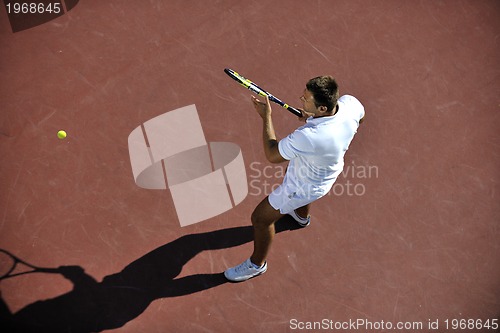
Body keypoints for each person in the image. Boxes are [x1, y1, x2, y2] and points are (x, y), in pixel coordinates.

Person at [224, 76, 365, 282]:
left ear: (323, 108)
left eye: (306, 100)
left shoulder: (310, 136)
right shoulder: (350, 104)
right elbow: (360, 118)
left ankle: (256, 265)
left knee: (260, 219)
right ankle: (300, 217)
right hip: (325, 173)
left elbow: (272, 155)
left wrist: (266, 117)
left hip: (303, 185)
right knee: (294, 170)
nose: (301, 99)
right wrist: (314, 118)